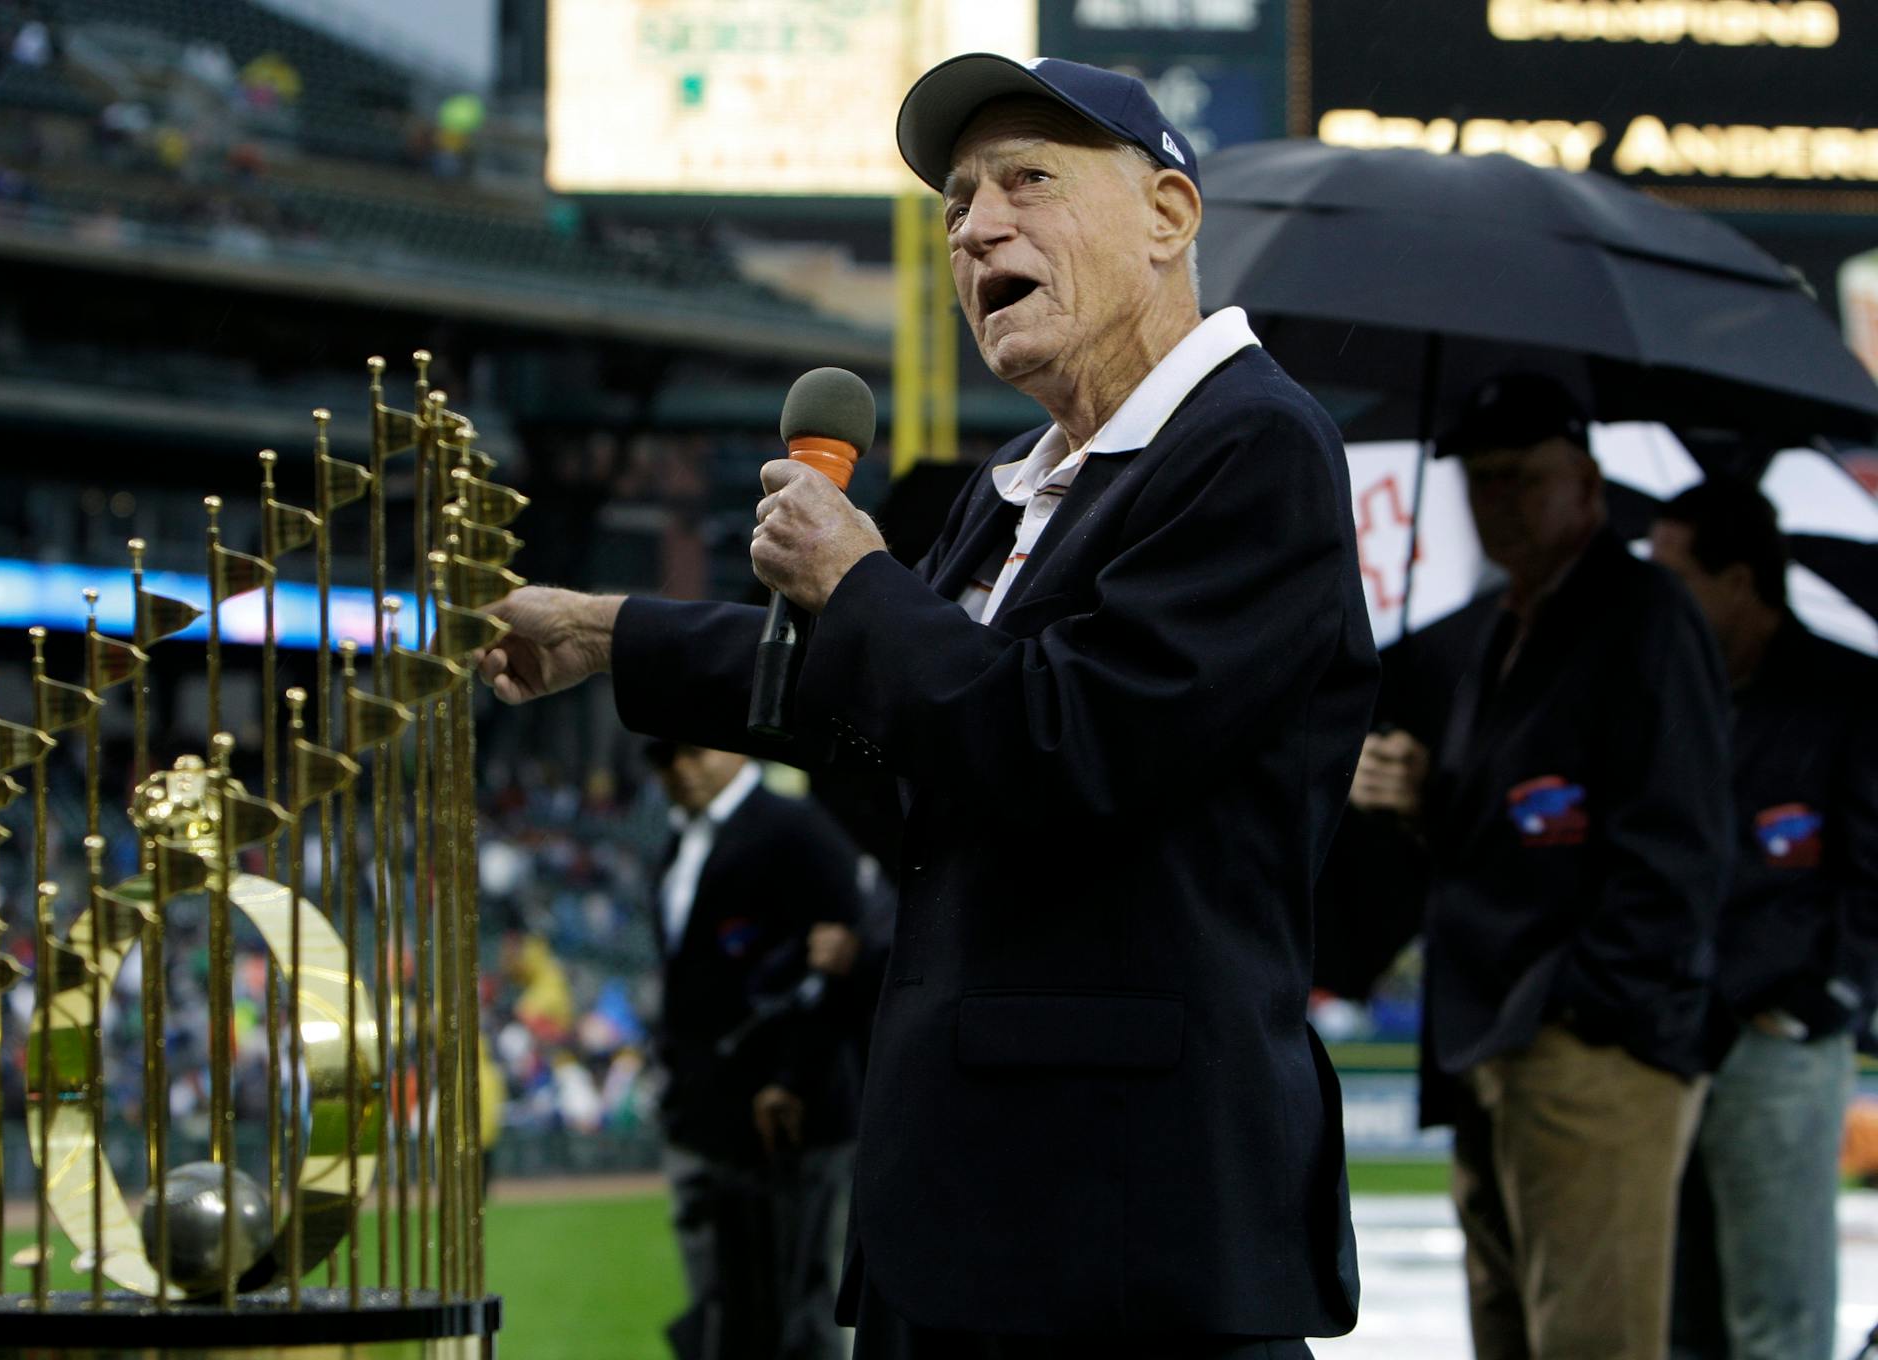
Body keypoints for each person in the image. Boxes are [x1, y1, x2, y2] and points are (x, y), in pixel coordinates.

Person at [480, 53, 1375, 1356]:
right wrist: (606, 632)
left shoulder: (1253, 447)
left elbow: (1067, 741)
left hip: (1127, 1222)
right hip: (970, 1210)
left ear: (1170, 218)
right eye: (957, 200)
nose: (975, 227)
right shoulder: (1016, 481)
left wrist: (857, 581)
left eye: (1028, 182)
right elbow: (880, 700)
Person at [1351, 374, 1734, 1360]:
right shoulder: (1501, 627)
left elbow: (1680, 849)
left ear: (1589, 488)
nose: (1496, 502)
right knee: (1513, 1334)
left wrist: (1580, 1015)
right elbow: (1511, 829)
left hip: (1581, 1044)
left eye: (1522, 477)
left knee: (1590, 1341)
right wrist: (1424, 800)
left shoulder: (1643, 614)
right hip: (1494, 1037)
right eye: (1479, 480)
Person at [1649, 480, 1878, 1360]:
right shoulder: (1670, 687)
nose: (1655, 595)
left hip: (1776, 1038)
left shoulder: (1847, 694)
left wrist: (1824, 997)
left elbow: (1873, 873)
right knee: (1679, 1316)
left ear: (1738, 580)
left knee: (1776, 1317)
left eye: (1675, 574)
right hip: (1670, 1036)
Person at [645, 740, 866, 1360]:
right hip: (702, 1115)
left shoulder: (796, 829)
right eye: (662, 759)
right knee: (720, 1308)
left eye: (691, 750)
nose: (680, 769)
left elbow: (838, 965)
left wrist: (794, 1078)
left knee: (804, 1308)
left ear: (735, 746)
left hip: (790, 1118)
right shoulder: (679, 841)